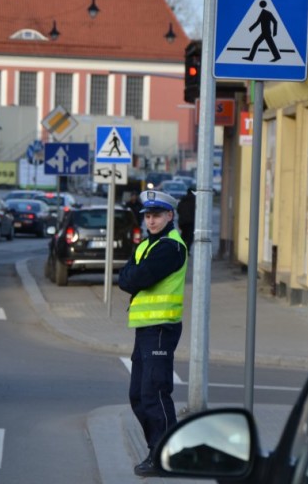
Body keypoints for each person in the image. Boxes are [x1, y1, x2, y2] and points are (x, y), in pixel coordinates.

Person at [117, 189, 188, 478]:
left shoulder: (170, 247)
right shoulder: (146, 245)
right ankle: (156, 449)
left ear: (169, 216)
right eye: (148, 215)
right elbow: (125, 278)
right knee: (138, 395)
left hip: (161, 327)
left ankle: (165, 456)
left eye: (157, 215)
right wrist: (133, 276)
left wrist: (133, 276)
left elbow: (137, 277)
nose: (151, 220)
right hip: (145, 329)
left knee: (155, 393)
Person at [176, 188, 196, 254]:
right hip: (191, 222)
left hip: (182, 222)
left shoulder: (183, 200)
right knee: (190, 237)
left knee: (184, 236)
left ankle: (182, 249)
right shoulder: (194, 200)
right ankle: (187, 249)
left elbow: (178, 210)